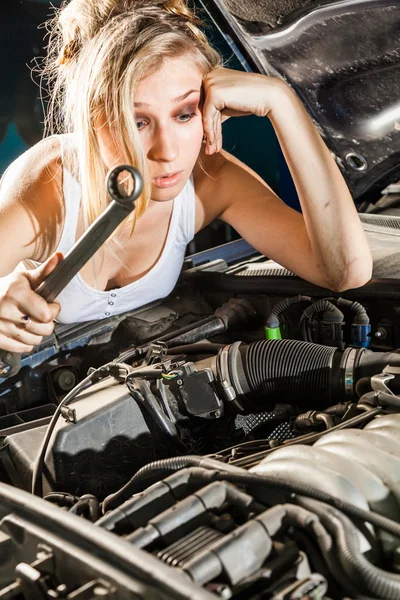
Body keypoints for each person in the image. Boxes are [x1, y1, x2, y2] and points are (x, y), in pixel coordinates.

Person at [0, 0, 372, 354]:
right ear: (92, 117)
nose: (167, 151)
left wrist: (282, 101)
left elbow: (345, 271)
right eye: (138, 121)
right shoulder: (47, 189)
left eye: (184, 114)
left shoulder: (209, 178)